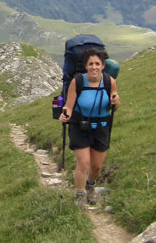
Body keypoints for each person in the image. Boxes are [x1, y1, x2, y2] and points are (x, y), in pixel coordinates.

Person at [58, 48, 120, 208]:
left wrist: (116, 100)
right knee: (83, 163)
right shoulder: (77, 81)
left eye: (97, 64)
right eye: (91, 64)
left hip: (101, 127)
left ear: (103, 66)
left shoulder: (110, 82)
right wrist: (64, 114)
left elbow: (114, 107)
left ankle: (90, 185)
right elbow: (69, 105)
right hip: (79, 126)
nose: (94, 67)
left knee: (97, 166)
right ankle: (79, 194)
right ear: (86, 66)